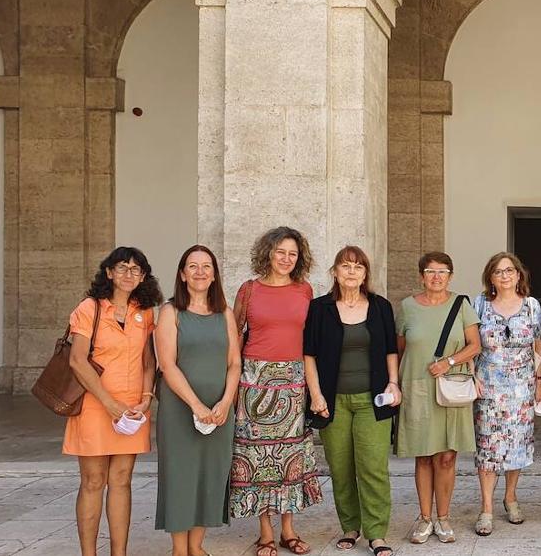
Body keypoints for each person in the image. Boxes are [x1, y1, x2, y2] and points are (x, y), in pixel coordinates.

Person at [230, 226, 322, 556]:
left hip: (294, 383)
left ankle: (288, 529)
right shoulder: (249, 290)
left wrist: (315, 388)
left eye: (292, 254)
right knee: (258, 459)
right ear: (268, 252)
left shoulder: (304, 290)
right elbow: (234, 335)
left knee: (289, 458)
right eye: (281, 251)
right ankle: (265, 533)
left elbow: (311, 340)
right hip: (254, 383)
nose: (286, 258)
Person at [303, 246, 401, 554]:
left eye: (358, 267)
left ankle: (376, 533)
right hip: (332, 401)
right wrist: (316, 395)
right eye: (345, 266)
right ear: (334, 271)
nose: (351, 271)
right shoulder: (320, 308)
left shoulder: (380, 307)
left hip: (373, 399)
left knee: (372, 467)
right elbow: (309, 355)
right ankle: (350, 527)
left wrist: (394, 383)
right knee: (341, 468)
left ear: (365, 274)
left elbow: (390, 350)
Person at [64, 246, 161, 556]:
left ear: (144, 276)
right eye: (122, 267)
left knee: (122, 480)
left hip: (132, 409)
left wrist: (146, 398)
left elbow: (149, 360)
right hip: (95, 405)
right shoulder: (90, 308)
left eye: (136, 269)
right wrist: (108, 403)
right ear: (108, 272)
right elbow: (78, 361)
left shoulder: (144, 311)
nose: (129, 274)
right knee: (93, 481)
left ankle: (119, 552)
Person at [155, 245, 240, 556]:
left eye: (207, 266)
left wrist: (226, 401)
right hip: (181, 408)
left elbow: (234, 362)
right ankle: (179, 549)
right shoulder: (170, 312)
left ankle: (197, 546)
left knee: (210, 473)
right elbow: (167, 365)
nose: (200, 271)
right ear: (182, 274)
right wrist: (196, 405)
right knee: (181, 475)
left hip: (219, 409)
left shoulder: (225, 313)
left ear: (215, 274)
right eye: (193, 266)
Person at [396, 251, 482, 544]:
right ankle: (424, 519)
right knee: (423, 456)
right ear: (421, 275)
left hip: (451, 386)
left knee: (446, 456)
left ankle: (443, 518)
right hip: (417, 387)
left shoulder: (461, 305)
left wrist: (448, 361)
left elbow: (475, 345)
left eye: (442, 272)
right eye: (430, 271)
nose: (436, 277)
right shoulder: (407, 307)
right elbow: (401, 348)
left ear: (450, 275)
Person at [471, 252, 541, 536]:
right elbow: (470, 342)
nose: (504, 276)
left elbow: (538, 343)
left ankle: (511, 497)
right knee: (488, 447)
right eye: (498, 271)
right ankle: (487, 507)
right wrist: (472, 376)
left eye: (509, 270)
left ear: (519, 275)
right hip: (488, 385)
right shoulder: (480, 303)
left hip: (521, 386)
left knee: (517, 444)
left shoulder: (531, 306)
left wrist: (539, 380)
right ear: (490, 277)